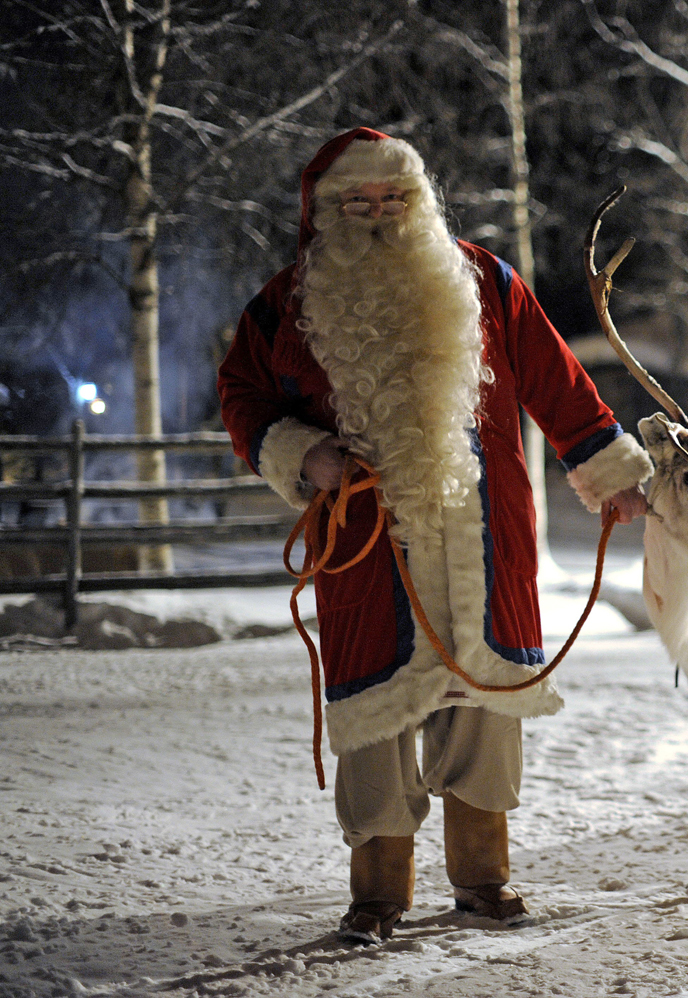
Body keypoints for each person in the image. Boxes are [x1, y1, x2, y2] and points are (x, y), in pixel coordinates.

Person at [217, 128, 651, 944]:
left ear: (419, 201)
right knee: (376, 717)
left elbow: (556, 378)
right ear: (326, 211)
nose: (379, 214)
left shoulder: (484, 279)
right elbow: (241, 395)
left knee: (485, 705)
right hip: (361, 538)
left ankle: (483, 880)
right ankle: (378, 892)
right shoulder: (285, 302)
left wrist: (611, 470)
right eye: (359, 201)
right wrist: (301, 452)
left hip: (485, 536)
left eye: (394, 199)